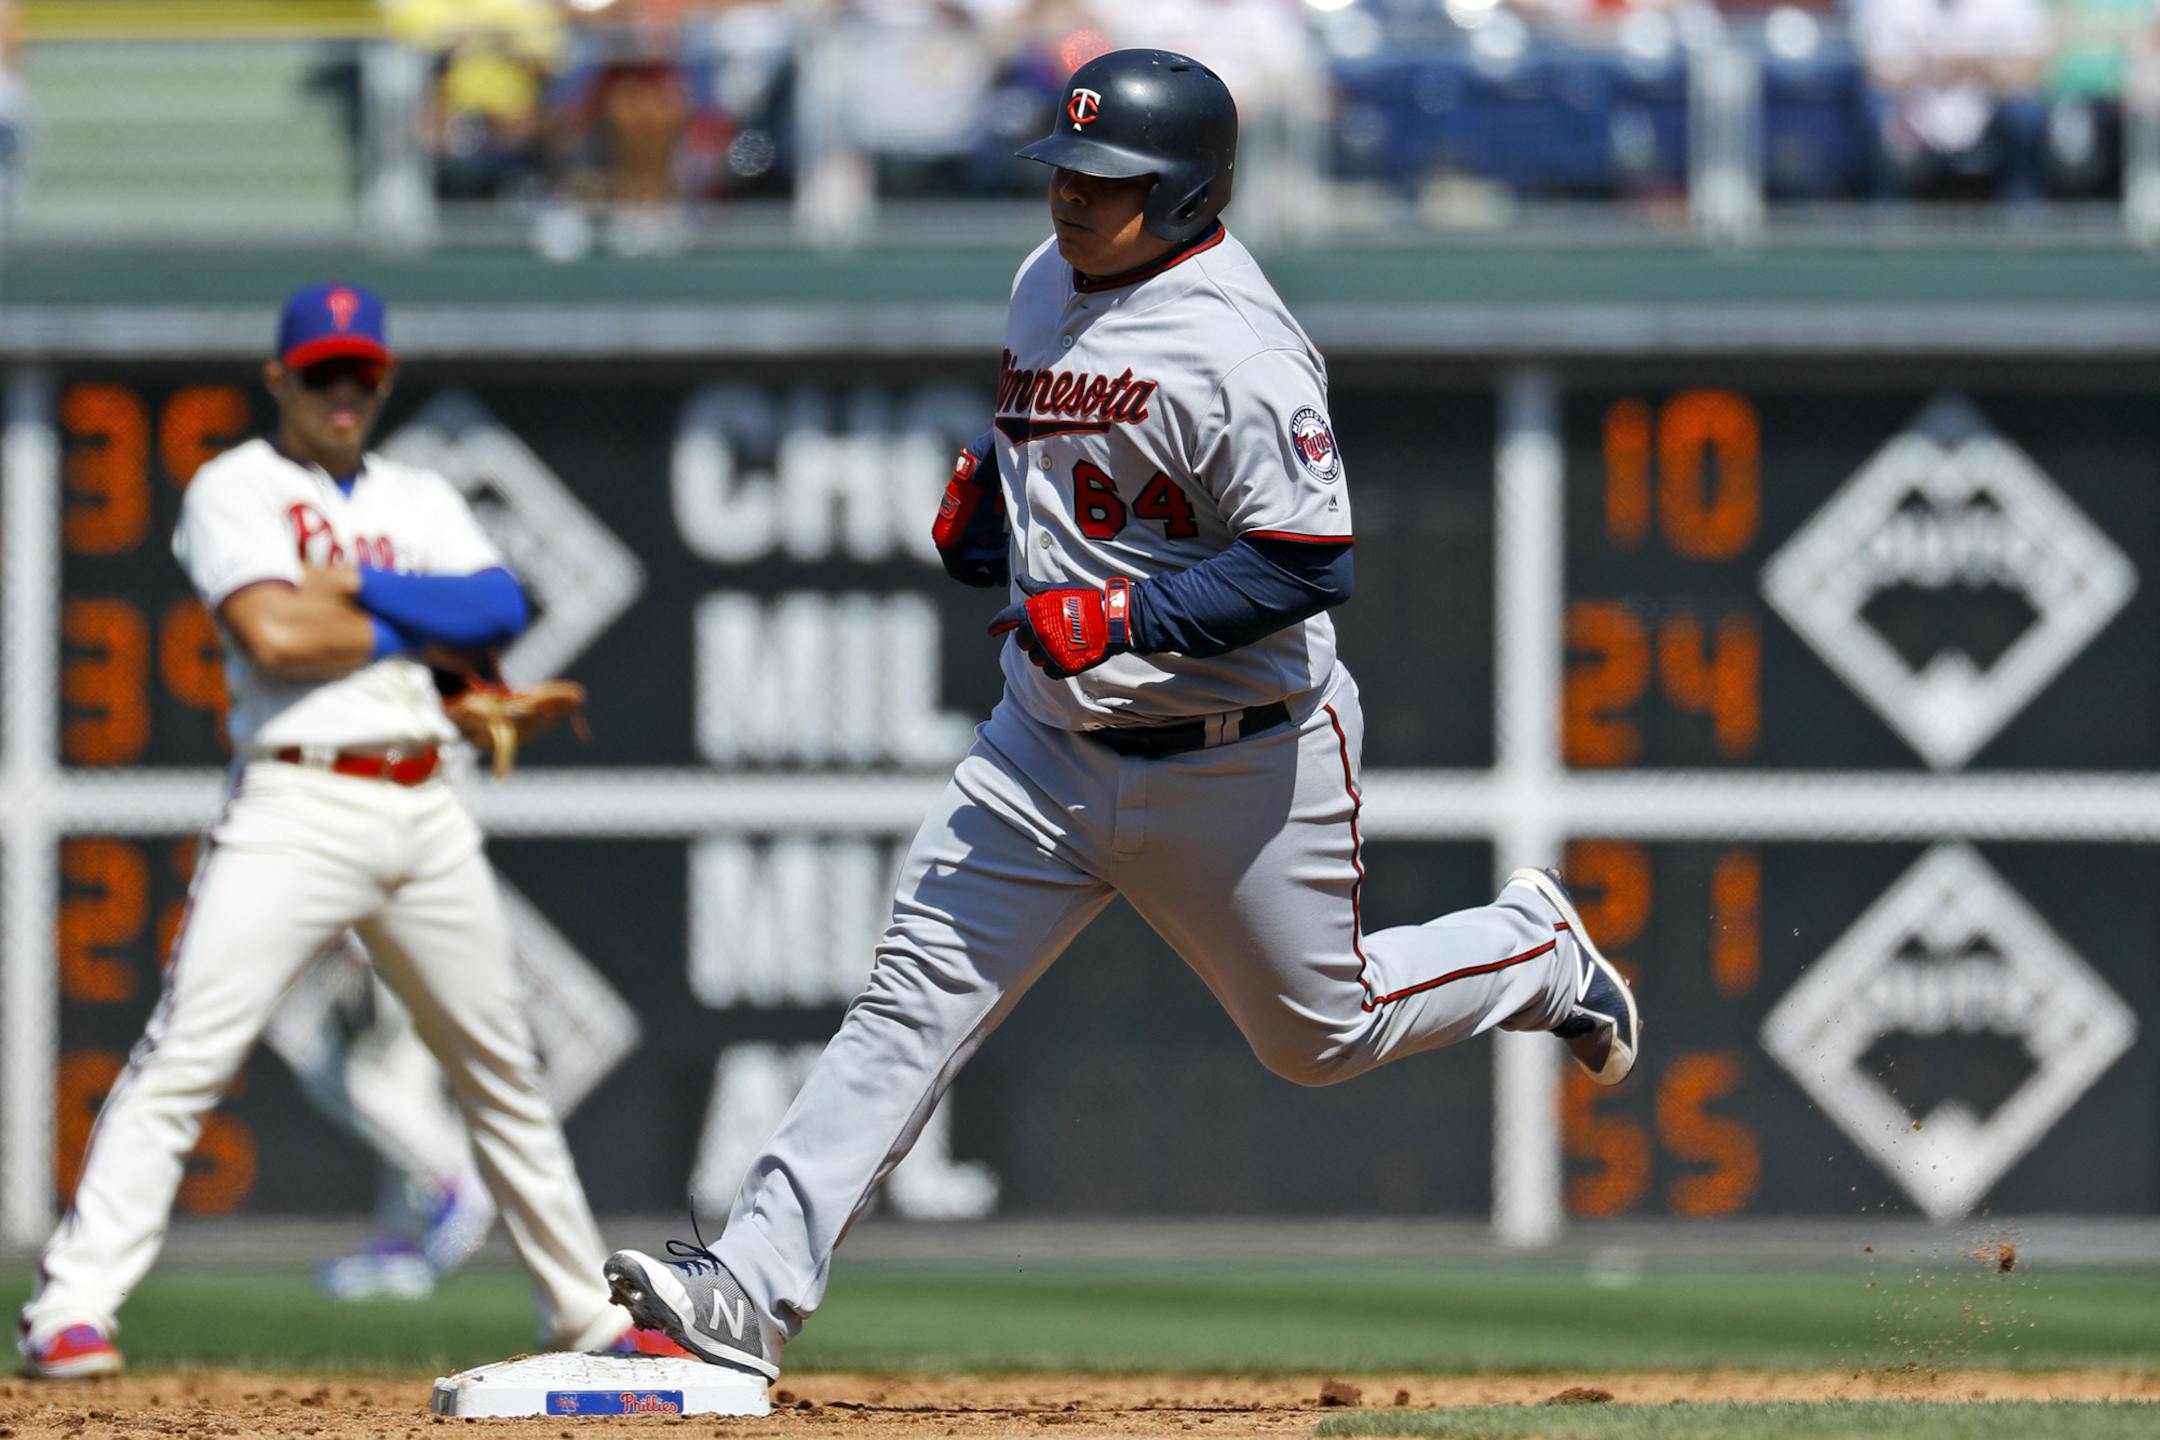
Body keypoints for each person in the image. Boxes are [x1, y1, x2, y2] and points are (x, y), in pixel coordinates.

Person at [600, 50, 1641, 1384]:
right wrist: (994, 520)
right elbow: (1060, 474)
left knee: (1315, 1036)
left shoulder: (1241, 344)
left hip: (1240, 756)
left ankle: (1534, 952)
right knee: (909, 1002)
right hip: (1043, 747)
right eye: (1067, 172)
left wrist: (1125, 621)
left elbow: (1309, 562)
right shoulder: (1045, 285)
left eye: (1111, 182)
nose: (1075, 199)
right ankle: (745, 1291)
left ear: (1194, 191)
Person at [16, 283, 681, 1379]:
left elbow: (499, 610)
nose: (342, 390)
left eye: (359, 371)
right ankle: (70, 1309)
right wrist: (415, 623)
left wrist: (354, 592)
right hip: (297, 799)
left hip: (427, 802)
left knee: (500, 1070)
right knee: (186, 1053)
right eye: (321, 371)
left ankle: (584, 1315)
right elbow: (274, 634)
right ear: (280, 379)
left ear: (382, 379)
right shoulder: (237, 486)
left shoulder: (416, 495)